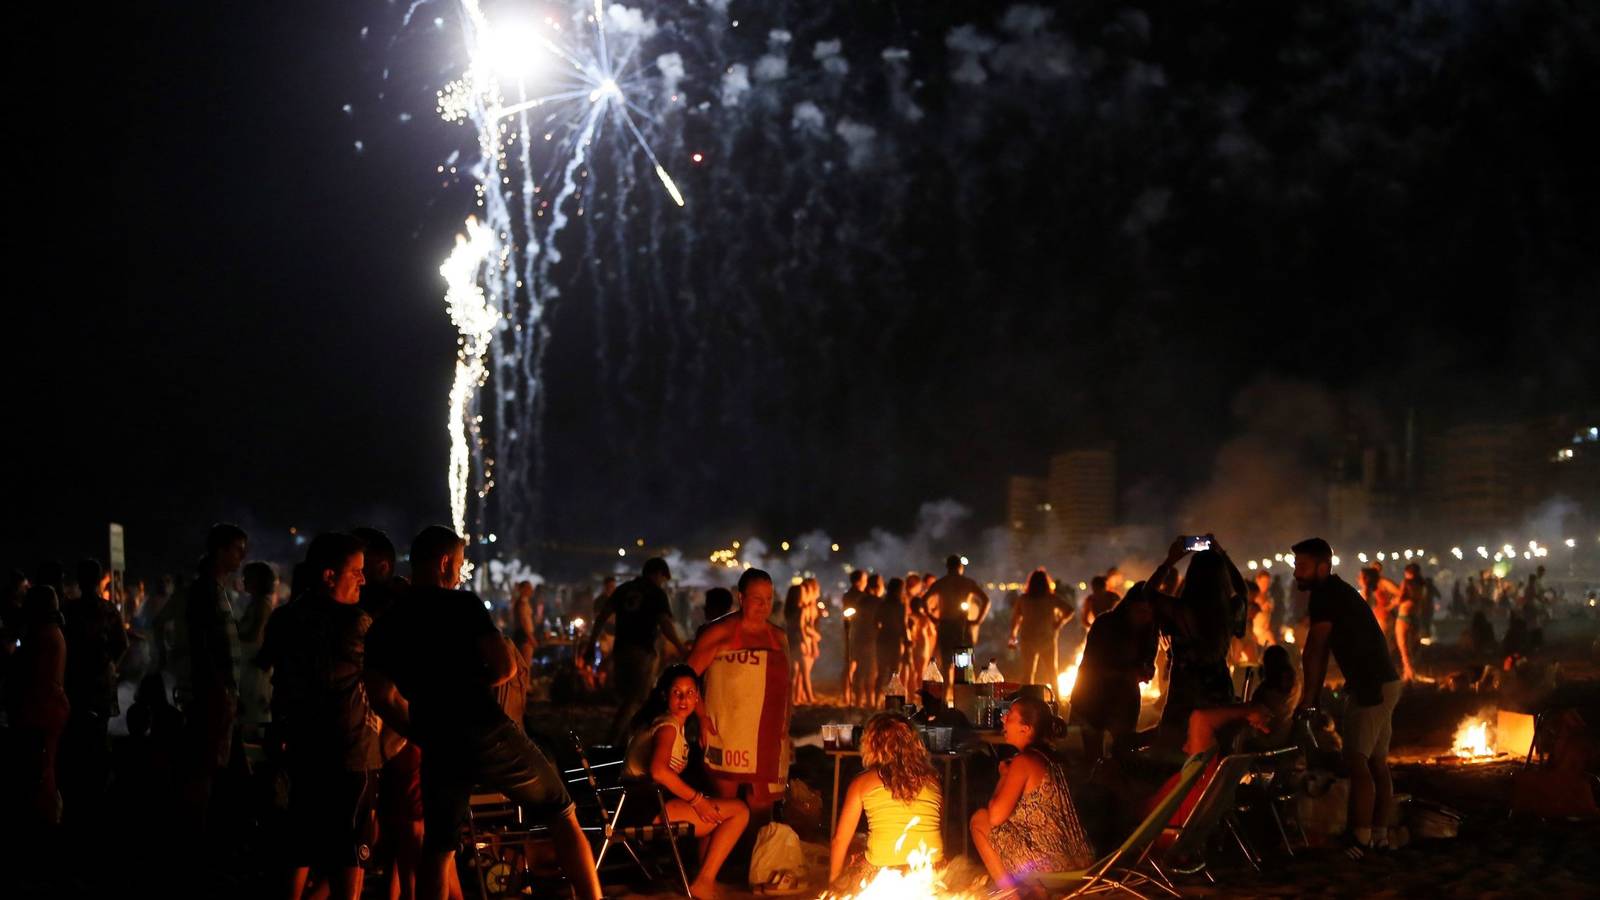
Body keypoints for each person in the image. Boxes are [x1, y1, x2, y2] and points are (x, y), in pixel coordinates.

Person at [365, 526, 600, 900]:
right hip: (485, 729)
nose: (459, 573)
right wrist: (468, 687)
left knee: (439, 847)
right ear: (444, 563)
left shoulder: (385, 625)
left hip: (438, 741)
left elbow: (380, 696)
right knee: (561, 811)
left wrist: (419, 728)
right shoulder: (462, 606)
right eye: (458, 564)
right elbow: (507, 667)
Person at [259, 533, 381, 900]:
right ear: (329, 575)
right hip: (350, 756)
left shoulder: (286, 619)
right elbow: (387, 677)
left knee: (301, 846)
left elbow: (272, 676)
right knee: (349, 858)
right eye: (356, 571)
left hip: (301, 752)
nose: (363, 579)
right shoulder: (355, 625)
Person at [1291, 537, 1401, 859]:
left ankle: (1360, 837)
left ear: (1322, 567)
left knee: (1357, 762)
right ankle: (1379, 834)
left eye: (1302, 566)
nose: (1296, 572)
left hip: (1370, 686)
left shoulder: (1325, 595)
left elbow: (1316, 648)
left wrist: (1310, 696)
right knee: (1377, 763)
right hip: (1385, 682)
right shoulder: (1338, 591)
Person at [622, 665, 750, 899]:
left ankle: (705, 878)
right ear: (664, 695)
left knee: (716, 811)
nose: (684, 699)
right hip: (644, 806)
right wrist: (697, 800)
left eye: (690, 693)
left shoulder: (670, 724)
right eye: (676, 693)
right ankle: (704, 882)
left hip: (639, 802)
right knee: (739, 811)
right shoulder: (668, 726)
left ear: (697, 697)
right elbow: (658, 771)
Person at [687, 568, 791, 821]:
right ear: (741, 598)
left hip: (767, 733)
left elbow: (786, 686)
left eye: (769, 599)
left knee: (761, 809)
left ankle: (754, 859)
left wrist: (787, 725)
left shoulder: (778, 637)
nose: (764, 606)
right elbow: (684, 678)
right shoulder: (719, 632)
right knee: (724, 807)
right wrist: (701, 717)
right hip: (726, 731)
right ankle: (718, 857)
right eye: (757, 599)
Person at [970, 697, 1094, 890]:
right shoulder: (1057, 758)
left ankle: (1012, 896)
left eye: (1009, 716)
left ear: (1025, 728)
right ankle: (1038, 893)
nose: (1003, 719)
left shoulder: (1023, 762)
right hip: (1083, 861)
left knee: (979, 820)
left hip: (1054, 868)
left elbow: (994, 817)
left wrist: (1004, 776)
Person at [1145, 536, 1248, 741]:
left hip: (1184, 692)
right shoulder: (1230, 610)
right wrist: (1222, 555)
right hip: (1218, 690)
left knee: (1178, 749)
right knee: (1216, 750)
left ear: (1191, 577)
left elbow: (1147, 593)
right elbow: (1242, 591)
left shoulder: (1178, 611)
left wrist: (1170, 561)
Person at [181, 522, 249, 833]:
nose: (242, 557)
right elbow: (203, 643)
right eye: (238, 549)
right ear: (220, 550)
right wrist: (219, 687)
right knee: (206, 765)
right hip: (214, 693)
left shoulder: (217, 589)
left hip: (222, 691)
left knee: (219, 764)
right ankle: (198, 831)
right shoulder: (205, 590)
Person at [828, 714, 943, 885]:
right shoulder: (933, 781)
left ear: (872, 745)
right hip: (931, 869)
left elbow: (839, 840)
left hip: (883, 872)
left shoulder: (861, 784)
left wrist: (834, 882)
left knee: (854, 851)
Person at [587, 558, 688, 744]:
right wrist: (681, 648)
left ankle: (624, 740)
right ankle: (612, 741)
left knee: (627, 697)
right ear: (657, 573)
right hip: (642, 650)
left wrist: (590, 644)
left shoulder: (623, 589)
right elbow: (665, 624)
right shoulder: (656, 594)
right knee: (637, 698)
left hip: (621, 649)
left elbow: (601, 616)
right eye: (663, 578)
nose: (662, 582)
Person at [59, 557, 128, 821]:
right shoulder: (108, 609)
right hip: (98, 683)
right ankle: (96, 792)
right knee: (97, 736)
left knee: (75, 733)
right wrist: (109, 664)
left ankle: (77, 790)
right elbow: (121, 644)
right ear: (99, 580)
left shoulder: (69, 610)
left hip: (76, 682)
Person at [4, 585, 70, 825]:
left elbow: (27, 673)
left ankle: (46, 816)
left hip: (41, 711)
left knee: (41, 771)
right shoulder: (52, 632)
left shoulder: (41, 636)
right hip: (50, 709)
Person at [1069, 584, 1158, 763]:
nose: (1145, 617)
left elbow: (1149, 659)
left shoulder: (1150, 629)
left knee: (1123, 749)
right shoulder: (1105, 624)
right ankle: (1093, 784)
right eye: (1140, 611)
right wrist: (1126, 673)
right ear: (1128, 606)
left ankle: (1118, 782)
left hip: (1124, 697)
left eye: (1149, 612)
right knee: (1092, 754)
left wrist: (1147, 670)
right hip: (1092, 694)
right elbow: (1094, 663)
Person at [1183, 644, 1300, 754]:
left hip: (1265, 743)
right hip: (1285, 741)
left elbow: (1254, 714)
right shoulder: (1296, 686)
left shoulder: (1267, 691)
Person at [923, 556, 990, 697]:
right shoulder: (967, 583)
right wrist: (977, 620)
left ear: (947, 567)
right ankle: (963, 700)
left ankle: (947, 700)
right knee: (964, 666)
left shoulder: (941, 583)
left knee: (947, 665)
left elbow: (924, 600)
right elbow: (985, 599)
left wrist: (933, 618)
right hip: (962, 627)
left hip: (946, 626)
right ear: (960, 567)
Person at [1008, 568, 1074, 684]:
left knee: (1028, 673)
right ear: (1046, 583)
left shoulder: (1023, 599)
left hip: (1027, 639)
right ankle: (1057, 699)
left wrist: (1013, 635)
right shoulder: (1051, 599)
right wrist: (1059, 623)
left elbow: (1015, 619)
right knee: (1052, 671)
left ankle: (1027, 698)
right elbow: (1069, 610)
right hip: (1047, 638)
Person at [236, 561, 277, 740]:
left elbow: (253, 634)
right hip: (249, 665)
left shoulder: (261, 605)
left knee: (252, 713)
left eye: (248, 578)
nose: (244, 581)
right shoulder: (255, 604)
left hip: (254, 667)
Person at [872, 578, 908, 706]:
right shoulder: (900, 605)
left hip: (883, 638)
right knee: (894, 673)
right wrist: (907, 639)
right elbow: (903, 625)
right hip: (894, 640)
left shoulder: (883, 604)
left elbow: (876, 621)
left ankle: (876, 702)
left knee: (882, 672)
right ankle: (890, 702)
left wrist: (881, 631)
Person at [1394, 564, 1431, 681]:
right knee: (1412, 647)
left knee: (1403, 648)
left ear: (1408, 573)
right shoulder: (1422, 585)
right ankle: (1408, 673)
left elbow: (1400, 598)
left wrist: (1392, 602)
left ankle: (1409, 674)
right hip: (1415, 618)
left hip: (1404, 617)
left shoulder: (1406, 582)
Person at [839, 570, 870, 705]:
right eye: (864, 579)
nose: (866, 582)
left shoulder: (850, 595)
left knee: (852, 665)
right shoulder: (858, 596)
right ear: (858, 581)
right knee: (852, 665)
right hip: (856, 634)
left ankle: (849, 695)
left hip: (856, 633)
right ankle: (848, 695)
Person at [905, 595, 938, 697]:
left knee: (912, 672)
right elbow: (932, 634)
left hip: (913, 647)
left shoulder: (909, 618)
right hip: (923, 648)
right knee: (921, 672)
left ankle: (912, 694)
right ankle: (919, 695)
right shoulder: (925, 618)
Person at [510, 580, 537, 668]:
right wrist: (531, 638)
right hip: (524, 637)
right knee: (525, 666)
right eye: (528, 588)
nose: (531, 590)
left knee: (525, 665)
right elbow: (523, 623)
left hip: (525, 636)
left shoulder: (524, 602)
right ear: (522, 589)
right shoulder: (521, 604)